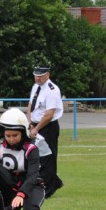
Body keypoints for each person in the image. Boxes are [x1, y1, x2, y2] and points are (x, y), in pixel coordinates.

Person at [28, 65, 64, 198]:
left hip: (47, 126)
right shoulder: (35, 87)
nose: (37, 78)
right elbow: (30, 105)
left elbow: (49, 114)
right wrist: (30, 124)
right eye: (36, 75)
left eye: (40, 76)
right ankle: (54, 181)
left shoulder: (52, 90)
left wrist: (37, 129)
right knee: (37, 156)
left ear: (47, 75)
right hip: (35, 125)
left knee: (48, 157)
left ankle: (48, 189)